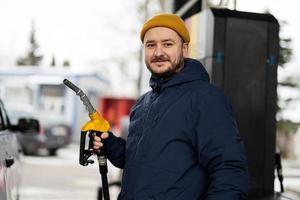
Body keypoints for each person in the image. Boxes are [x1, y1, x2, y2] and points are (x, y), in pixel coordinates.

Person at [93, 13, 249, 199]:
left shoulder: (206, 99)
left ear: (184, 49)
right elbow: (138, 164)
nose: (158, 52)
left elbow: (229, 171)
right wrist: (109, 143)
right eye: (151, 45)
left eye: (167, 44)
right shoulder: (142, 104)